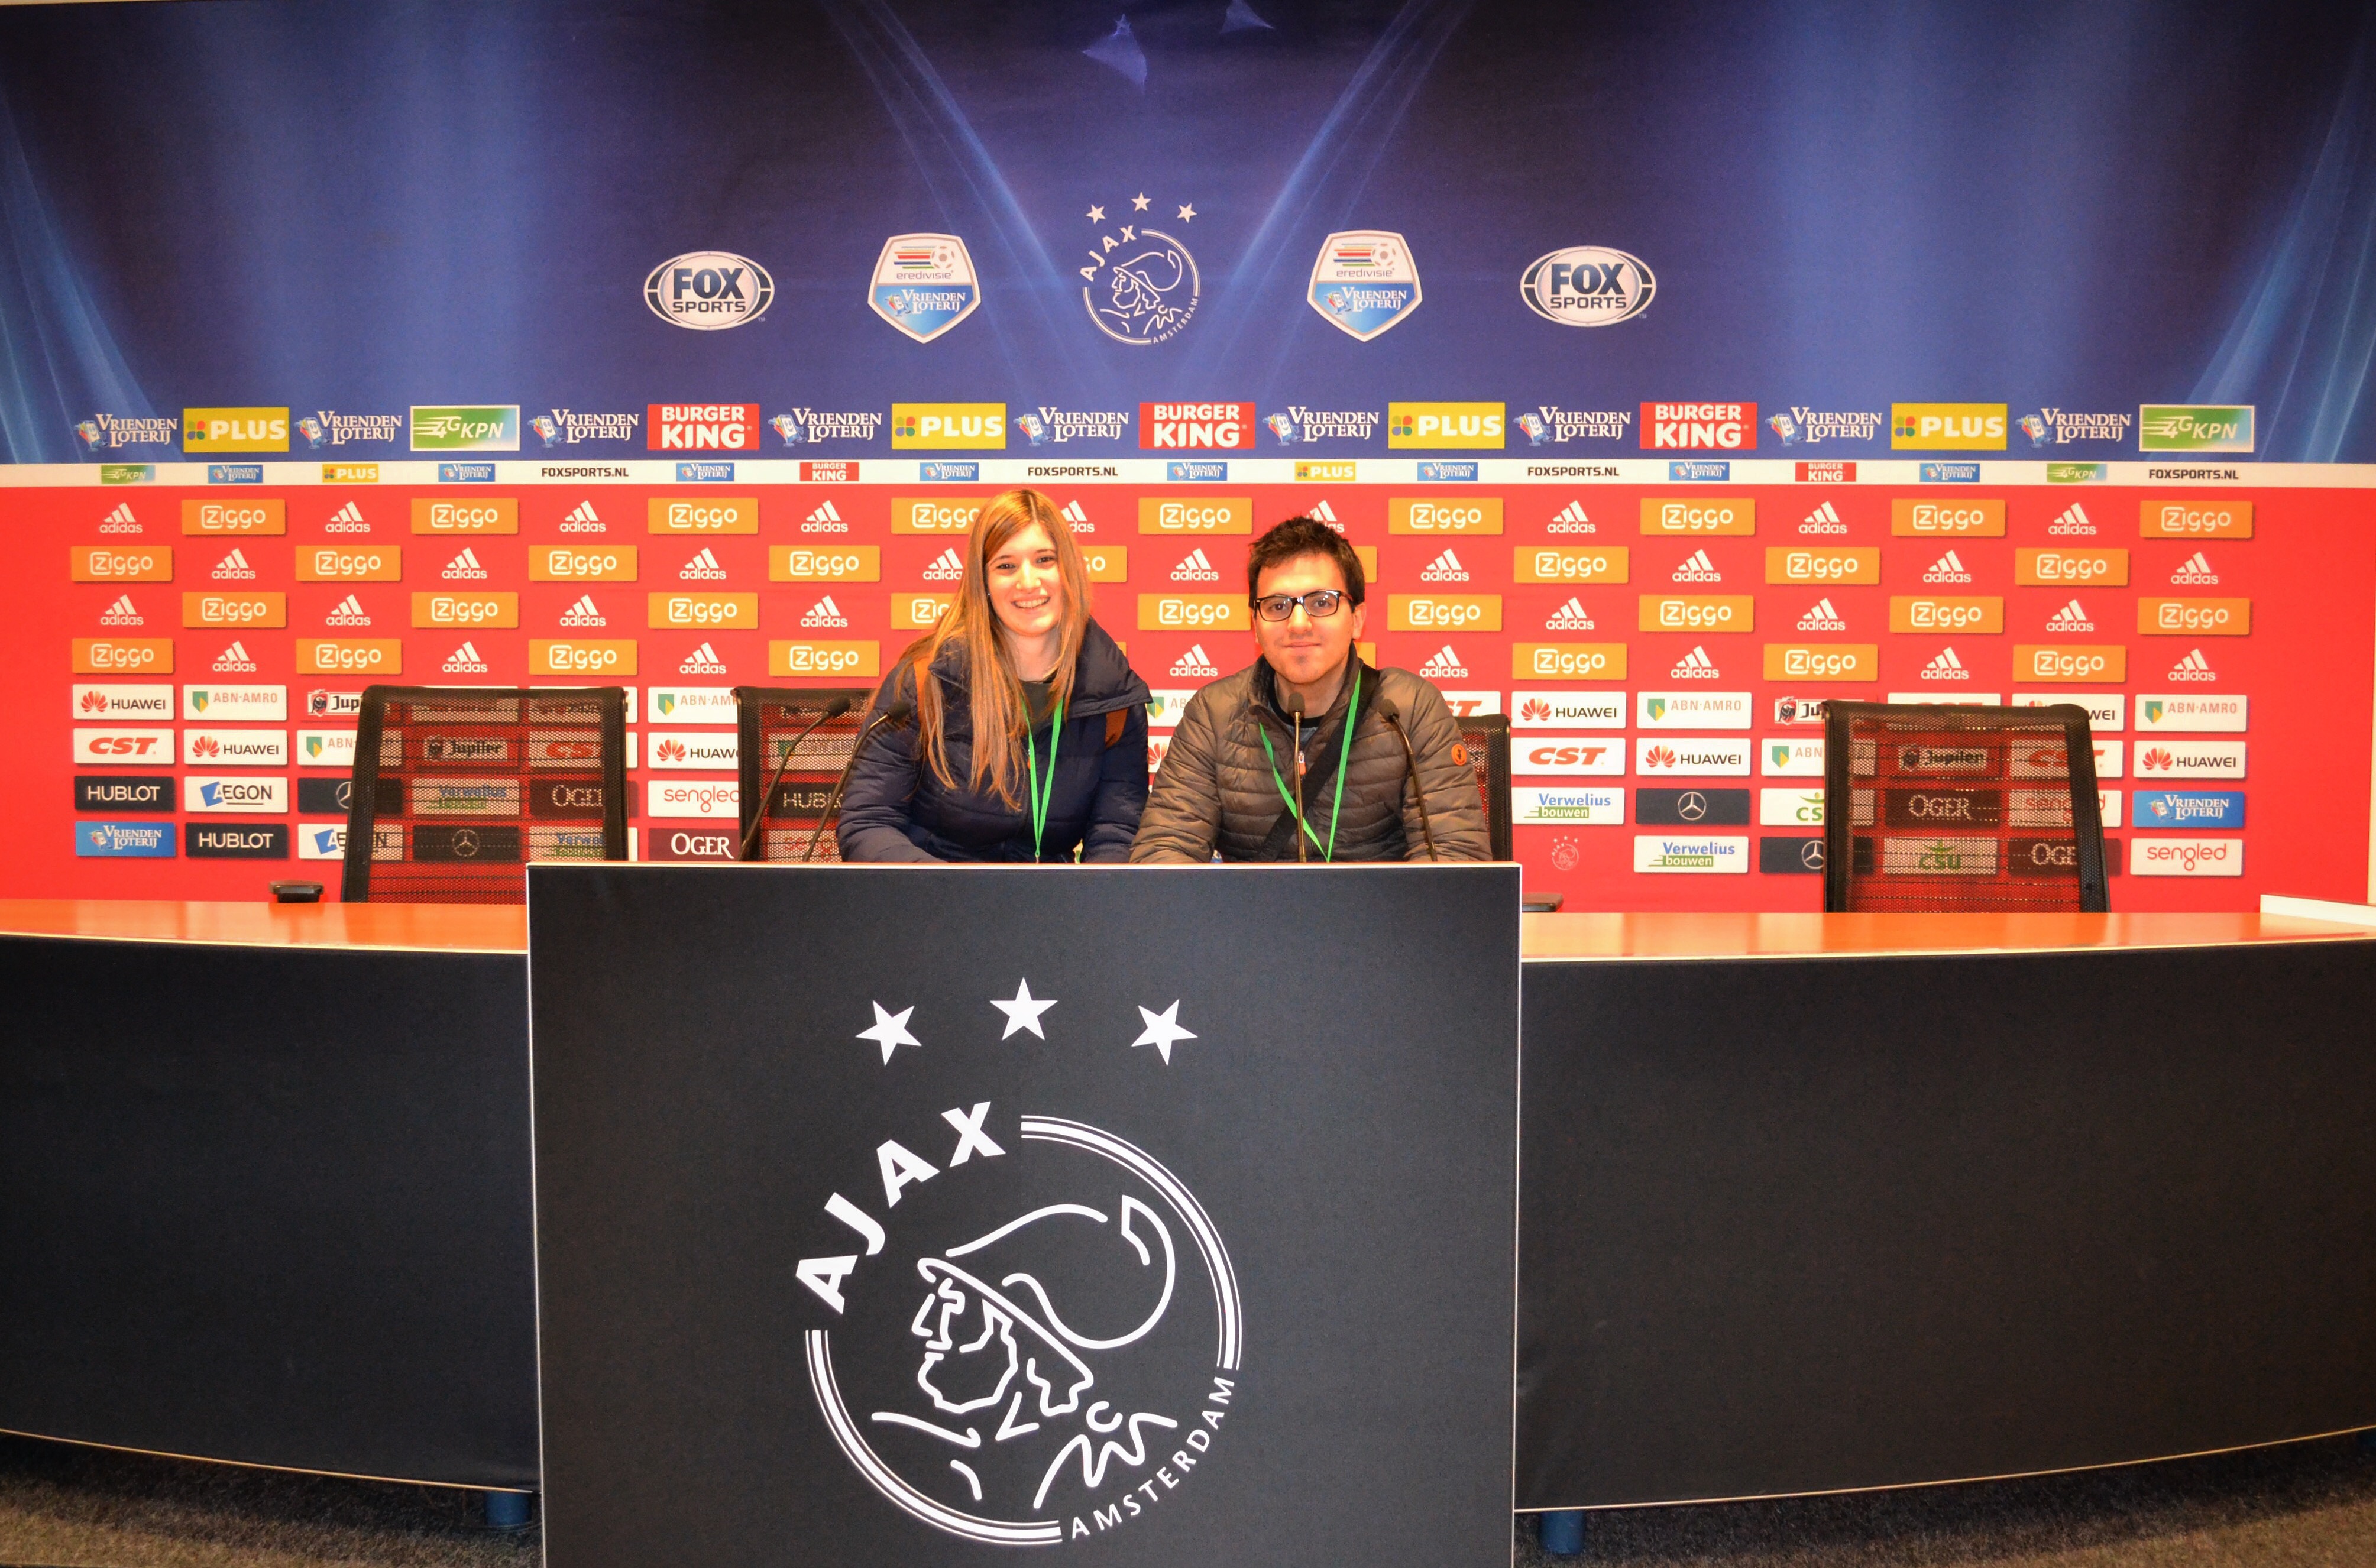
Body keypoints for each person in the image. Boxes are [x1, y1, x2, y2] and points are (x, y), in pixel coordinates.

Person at [1129, 516, 1490, 863]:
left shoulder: (1408, 710)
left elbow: (1453, 858)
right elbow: (1162, 855)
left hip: (1379, 920)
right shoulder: (1214, 714)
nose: (1298, 624)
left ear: (1357, 619)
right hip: (1254, 921)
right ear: (1255, 625)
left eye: (1321, 602)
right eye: (1277, 606)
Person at [839, 488, 1150, 862]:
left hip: (1051, 906)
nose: (1028, 582)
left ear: (1069, 569)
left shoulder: (1113, 696)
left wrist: (1084, 908)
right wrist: (950, 896)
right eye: (1006, 566)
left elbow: (1116, 833)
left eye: (1045, 560)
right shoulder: (925, 680)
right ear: (983, 582)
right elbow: (869, 822)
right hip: (930, 899)